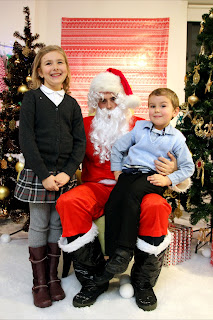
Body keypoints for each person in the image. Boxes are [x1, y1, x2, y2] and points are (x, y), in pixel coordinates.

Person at [56, 68, 190, 311]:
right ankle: (93, 279)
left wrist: (172, 171)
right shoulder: (84, 125)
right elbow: (67, 155)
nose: (107, 106)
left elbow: (177, 160)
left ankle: (143, 281)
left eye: (113, 99)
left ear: (123, 100)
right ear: (95, 102)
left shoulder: (143, 125)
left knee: (158, 207)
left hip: (137, 188)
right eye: (102, 100)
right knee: (69, 202)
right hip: (95, 187)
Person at [94, 88, 195, 287]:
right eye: (152, 106)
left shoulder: (176, 139)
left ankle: (125, 250)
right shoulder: (139, 128)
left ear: (175, 112)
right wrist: (116, 171)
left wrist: (169, 179)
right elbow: (118, 148)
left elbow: (188, 167)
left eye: (163, 106)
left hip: (152, 177)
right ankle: (113, 257)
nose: (156, 110)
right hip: (129, 173)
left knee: (133, 197)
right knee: (113, 203)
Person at [14, 45, 86, 308]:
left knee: (58, 225)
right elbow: (27, 139)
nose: (55, 67)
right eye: (48, 63)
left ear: (66, 69)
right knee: (40, 224)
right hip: (38, 174)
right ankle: (39, 282)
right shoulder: (33, 99)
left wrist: (68, 172)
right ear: (39, 71)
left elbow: (80, 142)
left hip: (65, 177)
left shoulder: (71, 103)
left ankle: (53, 278)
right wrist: (44, 174)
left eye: (60, 63)